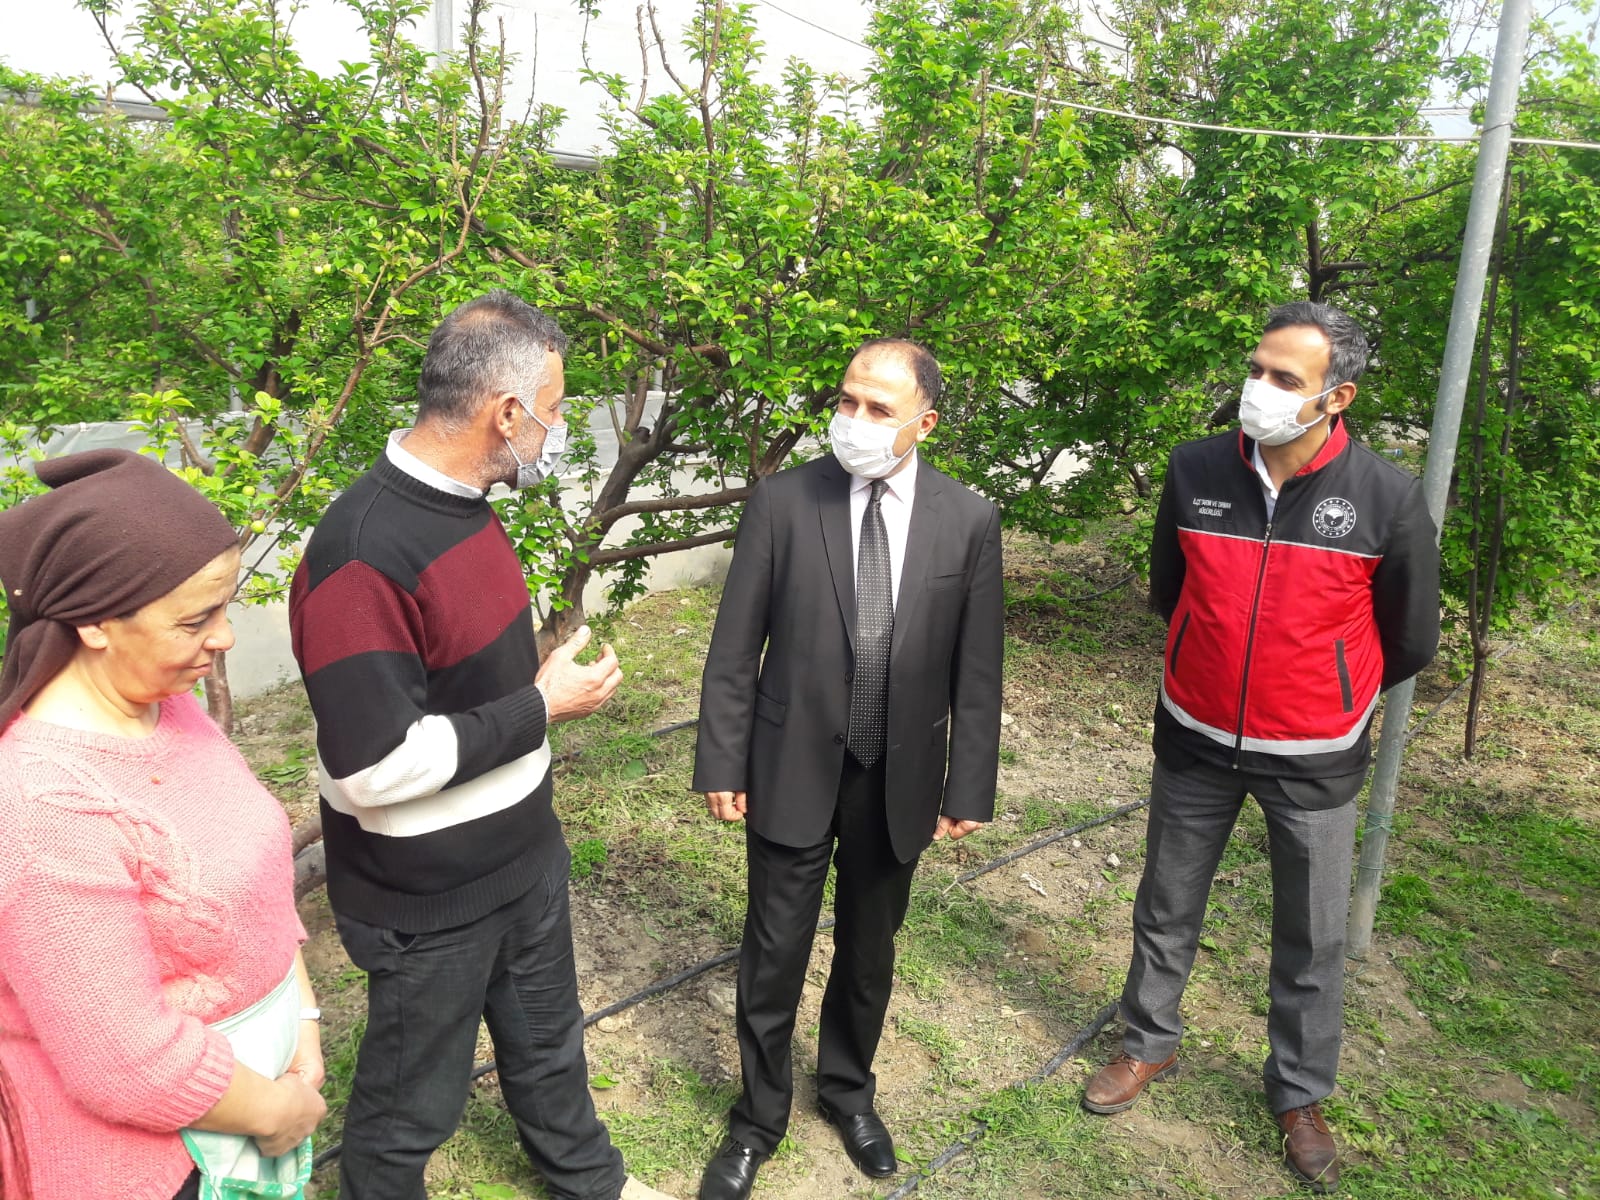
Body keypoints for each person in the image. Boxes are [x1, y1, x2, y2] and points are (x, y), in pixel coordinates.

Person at [288, 290, 676, 1200]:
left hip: (521, 857)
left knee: (550, 1048)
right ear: (506, 413)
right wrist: (541, 706)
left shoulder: (465, 505)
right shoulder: (361, 556)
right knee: (408, 1110)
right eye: (555, 408)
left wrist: (532, 680)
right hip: (430, 898)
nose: (558, 428)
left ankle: (592, 1182)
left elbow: (453, 679)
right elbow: (373, 767)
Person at [1081, 302, 1441, 1193]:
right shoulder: (1196, 468)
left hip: (1316, 753)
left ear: (1335, 397)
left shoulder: (1385, 496)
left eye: (1285, 378)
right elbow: (1171, 589)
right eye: (1257, 369)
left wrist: (1329, 689)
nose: (1260, 389)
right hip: (1196, 734)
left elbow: (1410, 637)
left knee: (1311, 936)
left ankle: (1299, 1093)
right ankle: (1147, 1042)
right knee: (1166, 904)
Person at [693, 338, 1004, 1200]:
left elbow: (978, 672)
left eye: (878, 408)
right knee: (773, 953)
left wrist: (968, 784)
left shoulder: (967, 520)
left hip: (897, 776)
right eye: (846, 401)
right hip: (789, 762)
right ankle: (758, 1119)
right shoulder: (784, 502)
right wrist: (723, 756)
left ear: (924, 424)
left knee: (870, 951)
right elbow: (733, 650)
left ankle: (848, 1090)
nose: (854, 420)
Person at [0, 449, 325, 1200]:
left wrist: (302, 1016)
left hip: (251, 1113)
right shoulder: (43, 804)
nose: (225, 637)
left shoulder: (168, 708)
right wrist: (279, 1113)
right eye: (195, 619)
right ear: (93, 623)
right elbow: (127, 1061)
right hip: (157, 1170)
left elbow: (254, 886)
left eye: (224, 607)